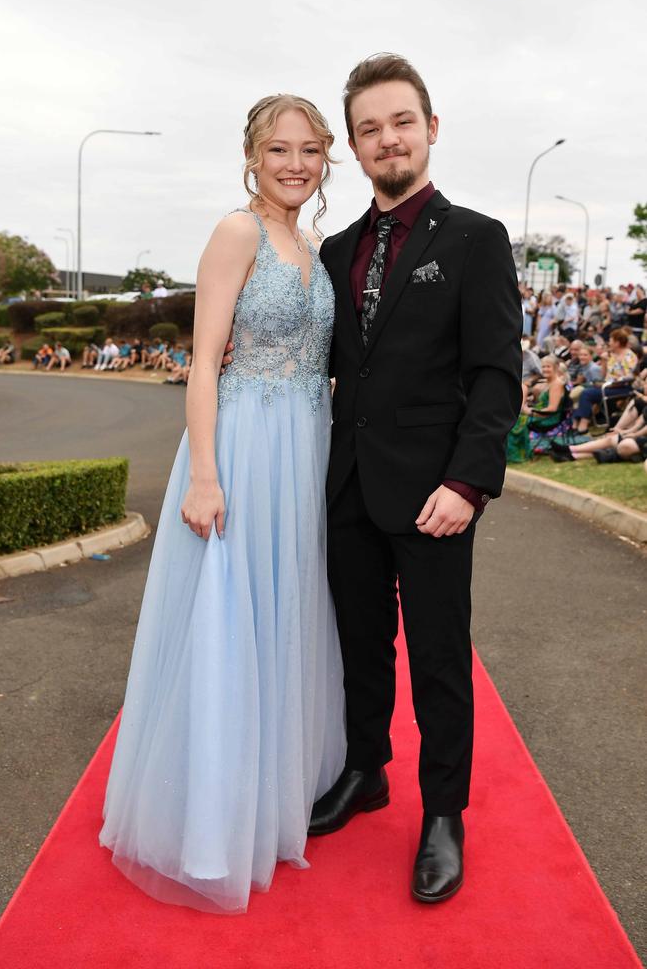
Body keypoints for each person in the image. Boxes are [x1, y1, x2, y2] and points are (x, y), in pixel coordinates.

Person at [99, 94, 346, 913]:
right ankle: (210, 817)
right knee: (229, 617)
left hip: (304, 447)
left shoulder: (311, 242)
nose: (295, 165)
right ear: (251, 154)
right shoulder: (237, 232)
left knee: (282, 617)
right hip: (242, 445)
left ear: (325, 160)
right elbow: (204, 362)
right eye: (280, 150)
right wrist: (205, 474)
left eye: (310, 151)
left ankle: (272, 794)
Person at [306, 54, 522, 904]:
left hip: (435, 495)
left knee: (437, 659)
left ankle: (443, 814)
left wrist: (468, 483)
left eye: (401, 121)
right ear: (354, 148)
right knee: (359, 646)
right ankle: (367, 770)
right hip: (347, 486)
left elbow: (496, 374)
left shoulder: (475, 237)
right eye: (369, 128)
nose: (387, 138)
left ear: (430, 128)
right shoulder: (334, 249)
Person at [573, 328, 638, 433]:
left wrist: (611, 383)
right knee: (583, 390)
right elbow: (603, 375)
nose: (609, 343)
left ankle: (582, 424)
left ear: (617, 342)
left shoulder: (629, 356)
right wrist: (603, 361)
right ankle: (578, 422)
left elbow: (628, 376)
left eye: (611, 341)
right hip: (608, 385)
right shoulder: (611, 355)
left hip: (622, 387)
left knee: (587, 393)